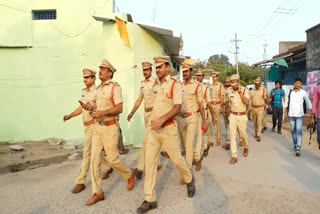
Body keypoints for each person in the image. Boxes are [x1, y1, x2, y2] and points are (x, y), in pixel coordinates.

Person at [137, 56, 195, 214]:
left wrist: (162, 119)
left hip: (168, 129)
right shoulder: (155, 85)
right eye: (156, 68)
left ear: (168, 68)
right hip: (153, 130)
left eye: (160, 67)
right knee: (149, 164)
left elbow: (177, 107)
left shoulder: (175, 85)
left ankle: (189, 179)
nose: (157, 70)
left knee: (177, 160)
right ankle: (150, 199)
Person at [85, 59, 135, 206]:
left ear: (110, 73)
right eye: (100, 68)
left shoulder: (115, 88)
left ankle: (129, 174)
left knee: (113, 159)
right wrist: (89, 106)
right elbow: (95, 107)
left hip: (110, 127)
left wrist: (102, 113)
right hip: (97, 128)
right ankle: (97, 192)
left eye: (103, 69)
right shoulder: (98, 89)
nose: (100, 71)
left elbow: (119, 108)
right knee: (94, 160)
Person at [63, 68, 113, 194]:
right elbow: (82, 108)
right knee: (94, 152)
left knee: (86, 153)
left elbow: (99, 107)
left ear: (93, 78)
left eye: (88, 77)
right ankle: (107, 167)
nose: (85, 80)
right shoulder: (84, 92)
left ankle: (80, 181)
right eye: (84, 77)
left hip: (94, 125)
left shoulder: (97, 91)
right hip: (86, 126)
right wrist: (70, 115)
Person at [127, 61, 160, 179]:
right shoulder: (142, 84)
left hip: (153, 114)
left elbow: (160, 99)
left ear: (151, 71)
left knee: (146, 141)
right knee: (154, 139)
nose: (145, 72)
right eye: (143, 70)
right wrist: (131, 112)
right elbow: (139, 100)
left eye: (147, 70)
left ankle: (140, 168)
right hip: (146, 114)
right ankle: (157, 163)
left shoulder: (155, 83)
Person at [176, 61, 207, 172]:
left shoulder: (197, 86)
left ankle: (187, 172)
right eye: (183, 72)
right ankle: (198, 159)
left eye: (186, 71)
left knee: (189, 145)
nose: (184, 73)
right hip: (181, 118)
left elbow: (201, 105)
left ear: (191, 72)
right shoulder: (179, 85)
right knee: (187, 146)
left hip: (193, 117)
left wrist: (204, 121)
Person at [284, 77, 312, 156]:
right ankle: (295, 144)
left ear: (301, 84)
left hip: (299, 115)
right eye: (296, 83)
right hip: (291, 115)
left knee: (299, 130)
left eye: (298, 83)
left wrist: (313, 111)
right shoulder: (290, 92)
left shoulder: (303, 92)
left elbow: (308, 102)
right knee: (293, 130)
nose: (297, 84)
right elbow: (286, 103)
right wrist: (286, 112)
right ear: (294, 83)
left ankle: (298, 147)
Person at [227, 74, 249, 164]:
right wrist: (228, 115)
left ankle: (246, 146)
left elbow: (247, 102)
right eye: (232, 85)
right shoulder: (229, 91)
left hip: (242, 116)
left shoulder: (244, 90)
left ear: (238, 82)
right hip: (233, 116)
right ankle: (234, 156)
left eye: (235, 85)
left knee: (243, 135)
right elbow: (229, 104)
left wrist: (240, 93)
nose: (233, 87)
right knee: (232, 136)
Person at [196, 69, 216, 157]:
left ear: (203, 77)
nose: (198, 77)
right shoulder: (193, 86)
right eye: (197, 75)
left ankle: (204, 147)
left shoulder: (206, 89)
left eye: (200, 75)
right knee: (195, 134)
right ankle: (199, 149)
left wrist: (213, 116)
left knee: (202, 133)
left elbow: (209, 103)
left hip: (203, 113)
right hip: (193, 113)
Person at [208, 71, 225, 147]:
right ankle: (211, 140)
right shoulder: (210, 86)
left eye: (215, 76)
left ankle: (218, 140)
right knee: (210, 122)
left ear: (218, 77)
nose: (213, 78)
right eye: (213, 77)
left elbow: (222, 96)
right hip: (211, 105)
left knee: (218, 123)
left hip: (218, 105)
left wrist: (221, 106)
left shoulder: (220, 85)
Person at [249, 78, 268, 142]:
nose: (256, 85)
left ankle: (258, 135)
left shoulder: (263, 90)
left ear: (260, 84)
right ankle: (256, 132)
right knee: (254, 122)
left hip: (260, 108)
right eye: (256, 84)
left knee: (259, 122)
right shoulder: (251, 91)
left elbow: (265, 98)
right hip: (253, 108)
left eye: (258, 84)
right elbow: (249, 100)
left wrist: (267, 104)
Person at [310, 84, 320, 149]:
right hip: (319, 115)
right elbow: (315, 101)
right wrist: (313, 114)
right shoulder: (318, 88)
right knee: (319, 135)